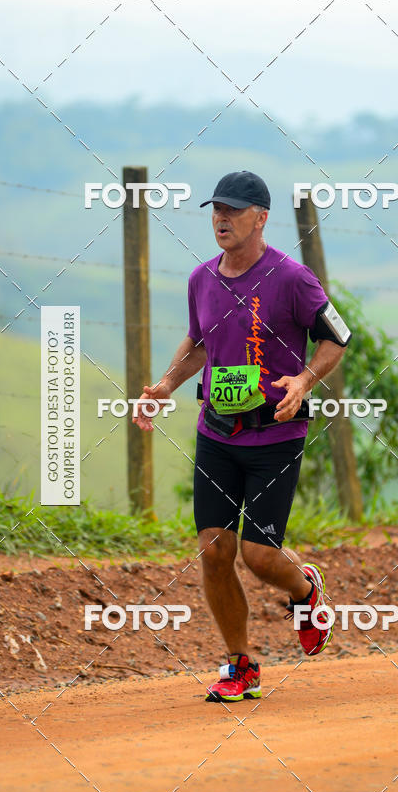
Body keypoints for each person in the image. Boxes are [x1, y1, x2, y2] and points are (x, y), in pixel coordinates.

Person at [134, 170, 351, 701]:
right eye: (216, 210)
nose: (221, 219)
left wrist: (302, 379)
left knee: (257, 555)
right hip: (217, 431)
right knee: (213, 550)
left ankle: (306, 591)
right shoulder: (201, 278)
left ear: (261, 217)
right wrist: (165, 384)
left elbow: (337, 338)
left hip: (275, 435)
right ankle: (240, 666)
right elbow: (199, 341)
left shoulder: (293, 278)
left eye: (232, 210)